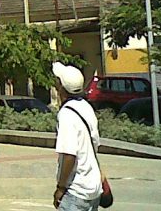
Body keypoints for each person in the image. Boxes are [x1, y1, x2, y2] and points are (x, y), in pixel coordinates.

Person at [52, 62, 103, 211]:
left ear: (61, 87)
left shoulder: (67, 114)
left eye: (57, 80)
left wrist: (60, 188)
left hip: (76, 191)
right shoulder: (85, 107)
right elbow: (94, 145)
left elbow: (69, 155)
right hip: (92, 187)